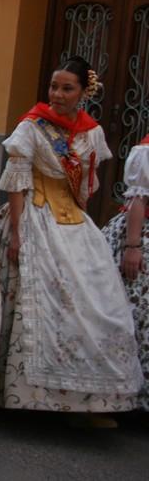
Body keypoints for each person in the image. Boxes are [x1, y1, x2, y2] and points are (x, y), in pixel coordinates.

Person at [0, 57, 142, 425]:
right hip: (33, 216)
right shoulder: (31, 127)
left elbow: (87, 185)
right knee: (32, 303)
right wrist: (17, 232)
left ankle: (85, 401)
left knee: (92, 304)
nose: (57, 94)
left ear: (84, 92)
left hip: (73, 223)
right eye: (54, 87)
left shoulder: (91, 133)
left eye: (66, 88)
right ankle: (18, 392)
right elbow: (16, 183)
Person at [103, 132, 149, 412]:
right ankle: (128, 393)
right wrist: (133, 246)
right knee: (136, 311)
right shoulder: (147, 150)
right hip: (141, 236)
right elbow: (138, 201)